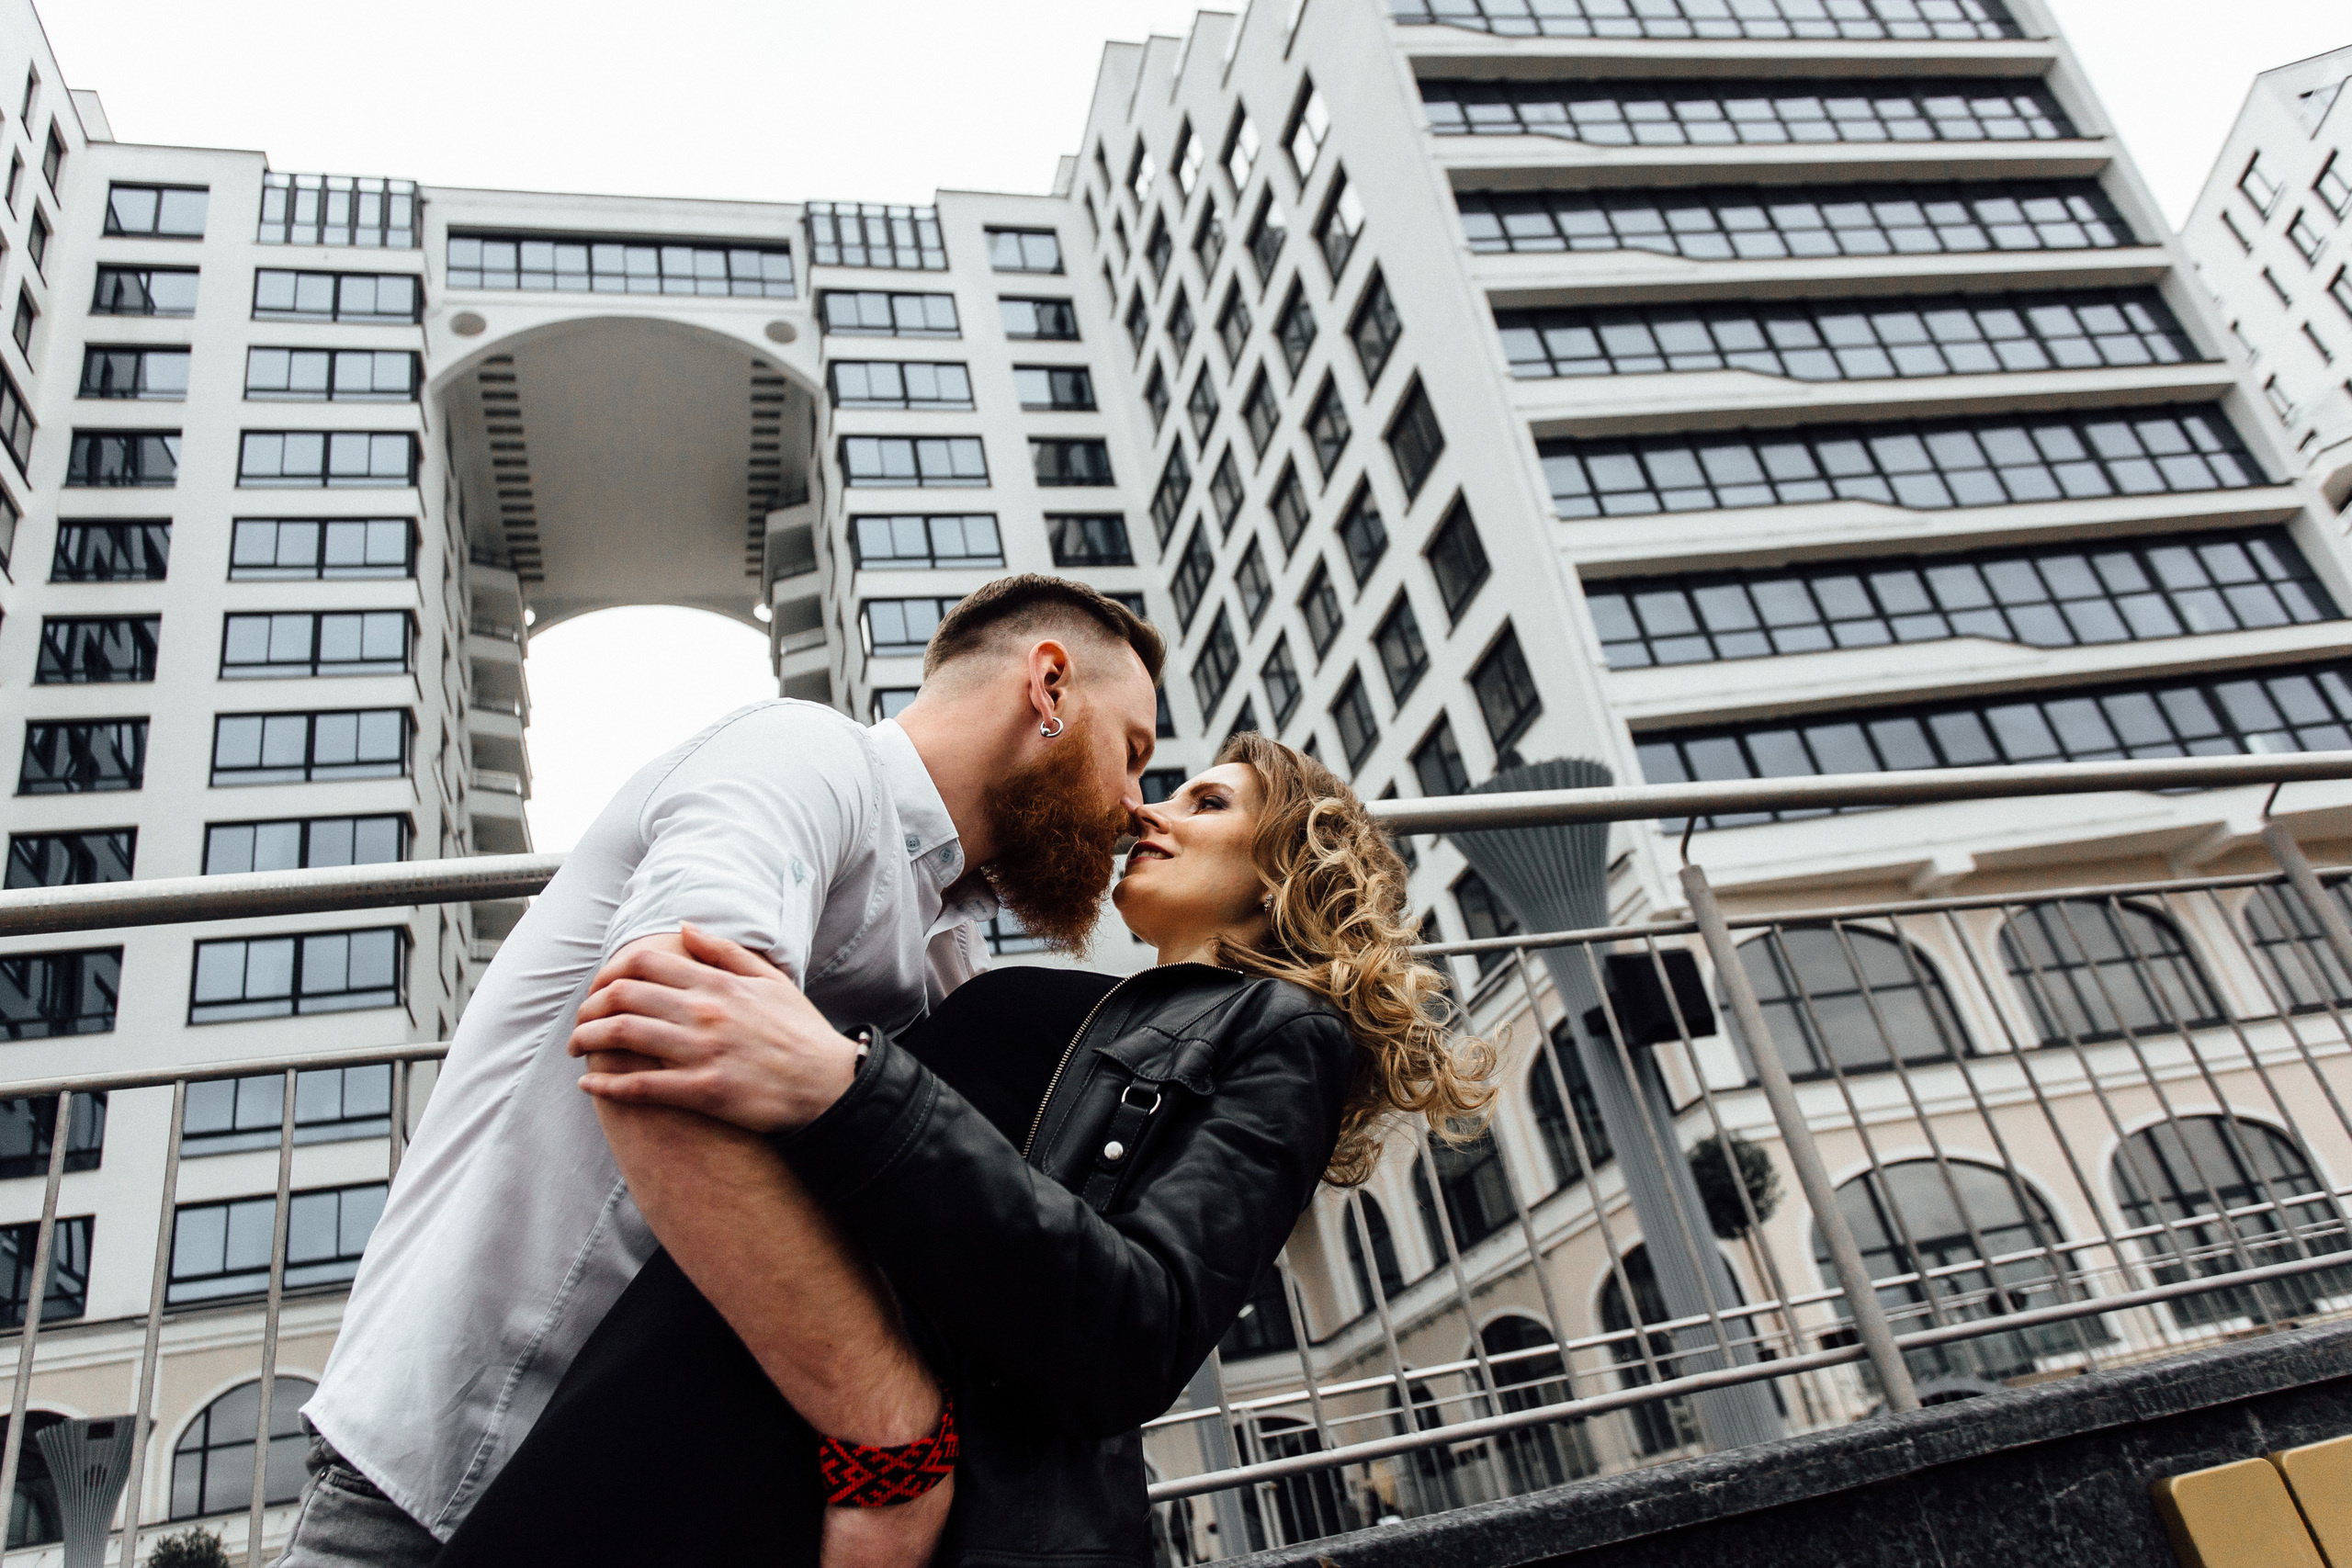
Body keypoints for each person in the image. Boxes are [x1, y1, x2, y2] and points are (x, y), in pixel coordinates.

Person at [432, 731, 1496, 1566]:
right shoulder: (1106, 1007)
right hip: (735, 1385)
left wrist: (846, 1087)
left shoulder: (1287, 1033)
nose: (1148, 812)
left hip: (838, 1467)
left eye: (1205, 803)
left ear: (1284, 871)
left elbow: (1139, 1328)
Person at [278, 575, 1165, 1568]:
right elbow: (646, 1044)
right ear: (1049, 686)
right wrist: (895, 1448)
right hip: (437, 1484)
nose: (1136, 806)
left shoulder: (952, 954)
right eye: (1132, 751)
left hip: (648, 1499)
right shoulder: (805, 757)